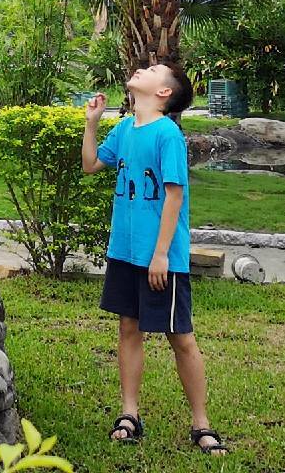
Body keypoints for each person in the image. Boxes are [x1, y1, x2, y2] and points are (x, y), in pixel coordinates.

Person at [81, 64, 226, 456]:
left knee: (180, 337)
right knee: (129, 328)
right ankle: (130, 414)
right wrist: (92, 123)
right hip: (125, 253)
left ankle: (202, 424)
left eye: (153, 70)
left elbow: (174, 197)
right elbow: (92, 164)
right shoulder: (126, 128)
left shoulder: (167, 134)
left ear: (164, 93)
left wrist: (161, 253)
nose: (142, 69)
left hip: (161, 258)